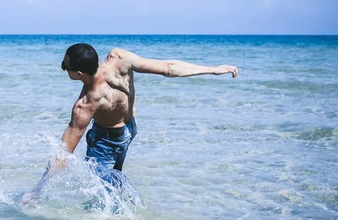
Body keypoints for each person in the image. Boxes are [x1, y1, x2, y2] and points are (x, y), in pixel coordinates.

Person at [21, 43, 238, 205]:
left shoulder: (87, 103)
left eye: (64, 67)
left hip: (106, 141)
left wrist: (38, 189)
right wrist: (213, 69)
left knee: (102, 195)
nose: (63, 68)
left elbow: (64, 152)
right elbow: (168, 68)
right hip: (129, 129)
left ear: (78, 74)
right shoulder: (120, 59)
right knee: (113, 180)